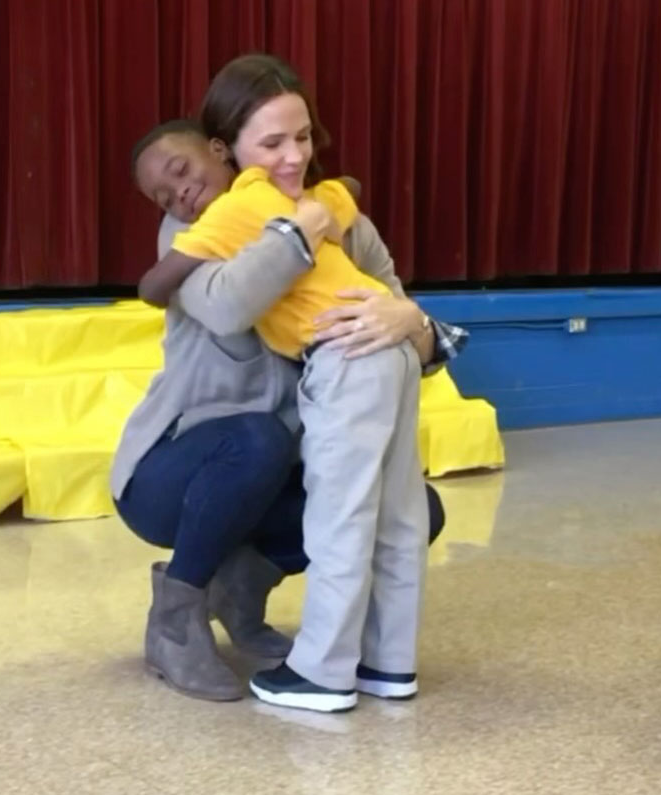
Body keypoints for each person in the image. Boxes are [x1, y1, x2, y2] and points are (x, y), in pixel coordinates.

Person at [112, 66, 467, 705]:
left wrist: (410, 320)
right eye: (272, 144)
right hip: (176, 469)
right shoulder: (194, 234)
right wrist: (299, 228)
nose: (294, 156)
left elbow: (414, 336)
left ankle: (241, 589)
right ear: (233, 149)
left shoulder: (345, 220)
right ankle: (174, 618)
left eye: (301, 138)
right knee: (258, 438)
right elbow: (224, 307)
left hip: (284, 458)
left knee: (414, 505)